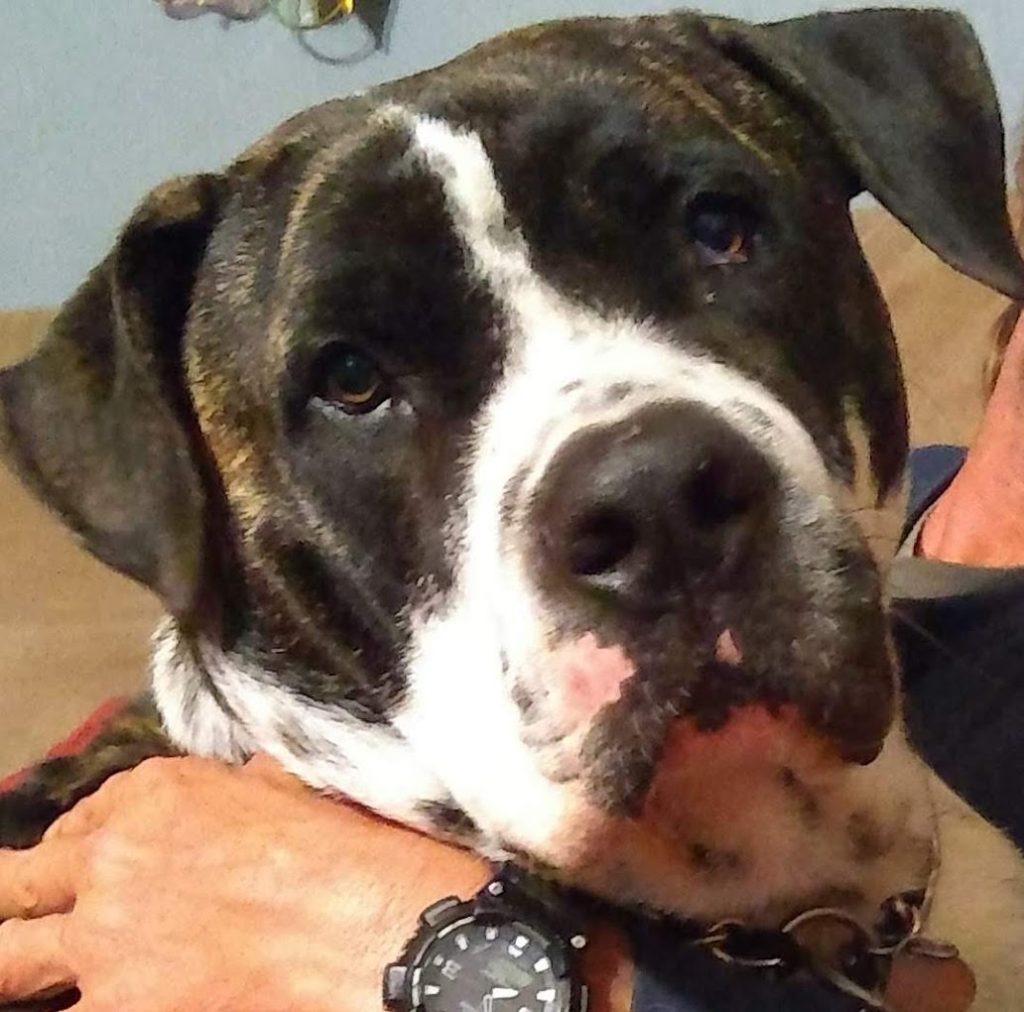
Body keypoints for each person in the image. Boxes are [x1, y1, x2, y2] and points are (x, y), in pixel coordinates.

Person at [0, 162, 1022, 1012]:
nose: (648, 481)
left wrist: (446, 961)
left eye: (719, 237)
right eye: (355, 382)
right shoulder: (137, 902)